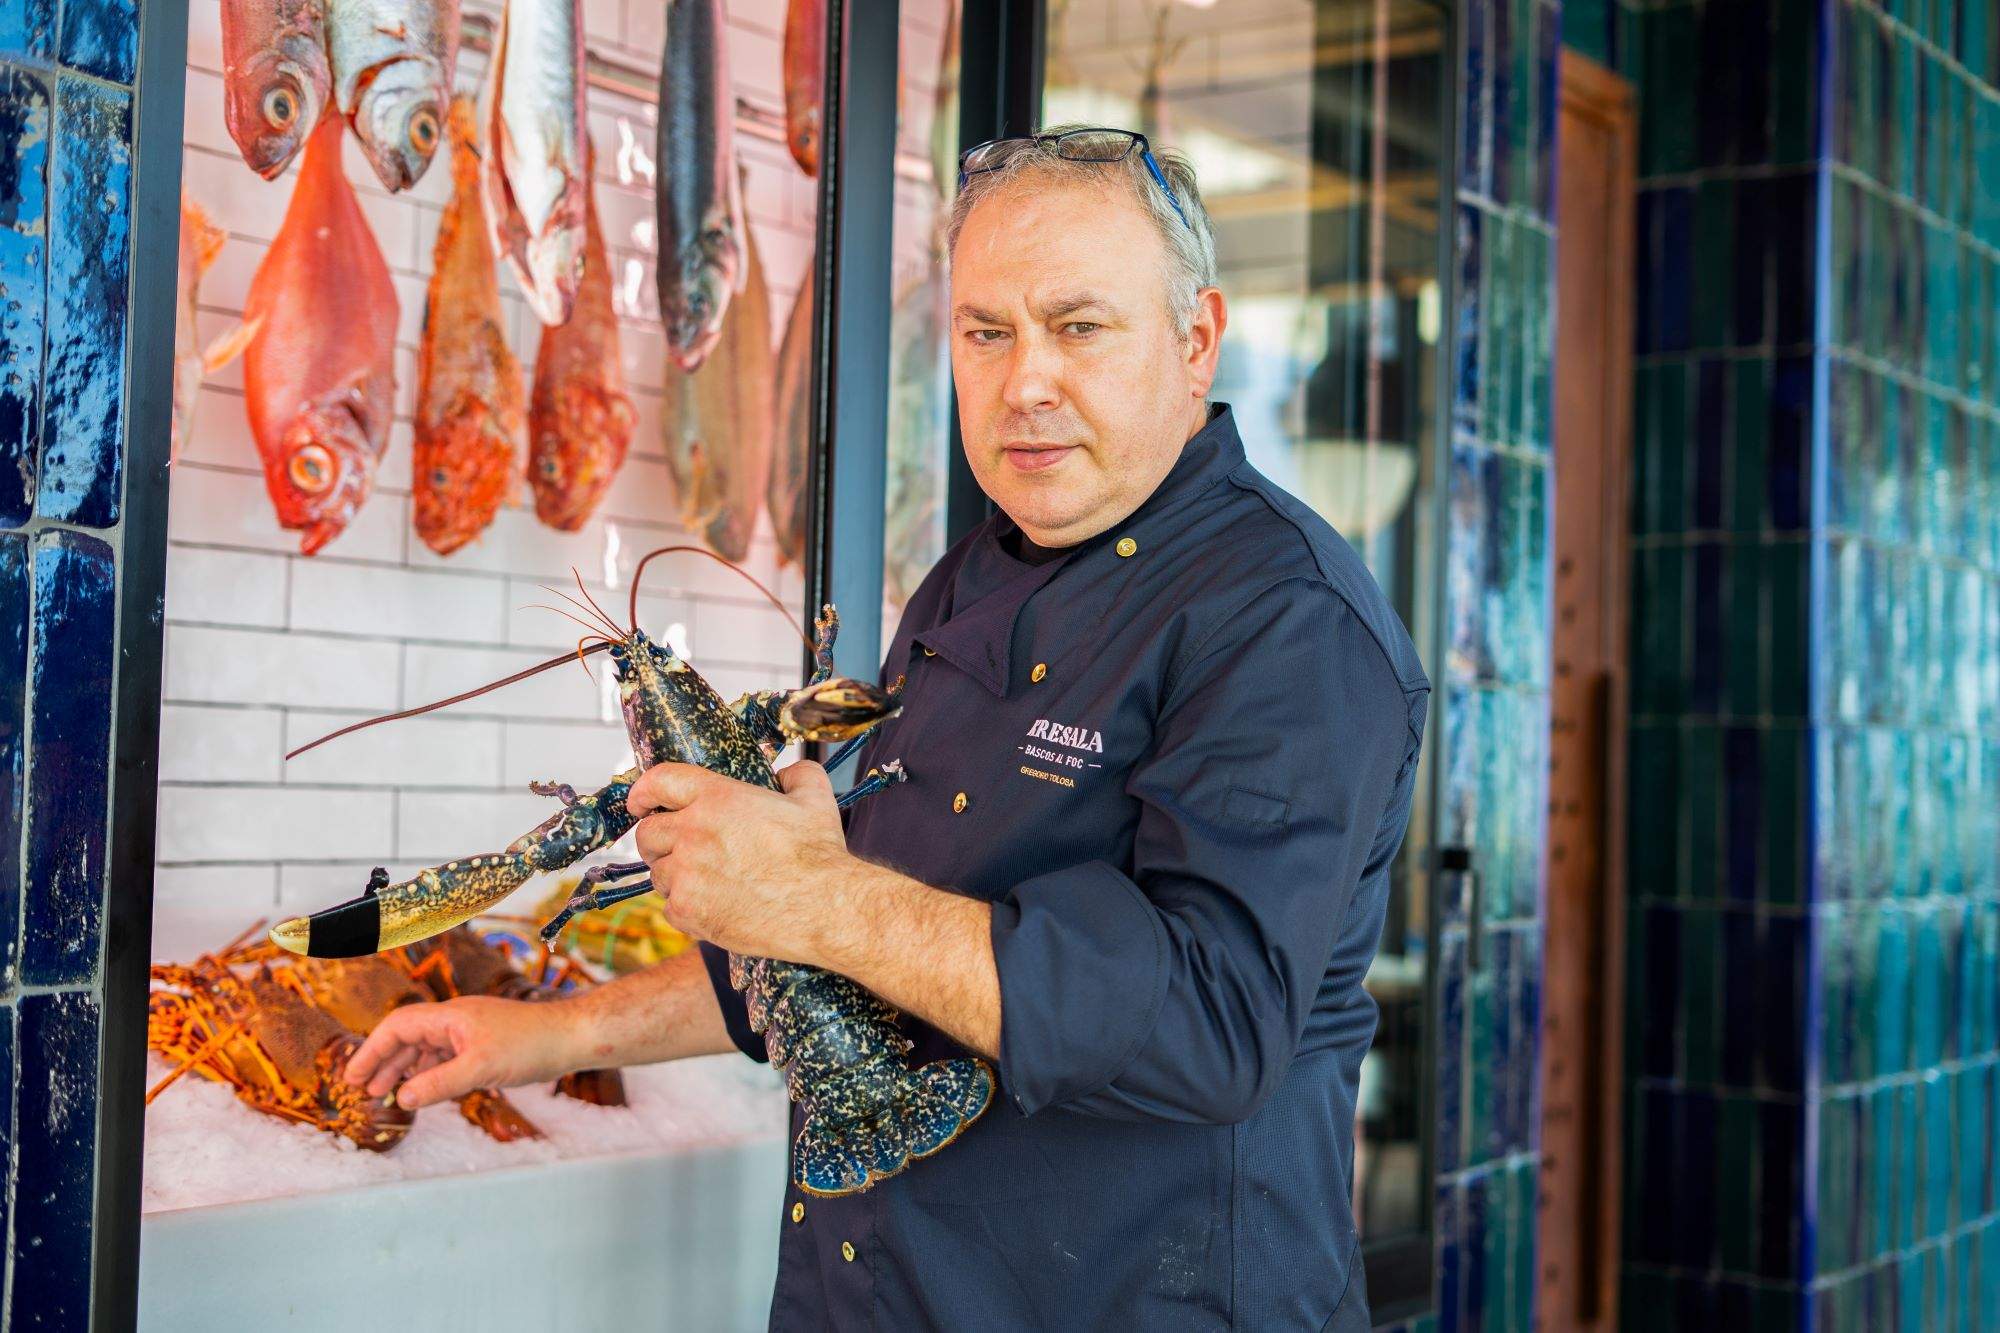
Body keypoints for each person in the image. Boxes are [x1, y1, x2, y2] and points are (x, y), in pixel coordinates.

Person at [343, 126, 1430, 1331]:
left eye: (1078, 327)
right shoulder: (965, 581)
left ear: (1195, 341)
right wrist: (533, 1038)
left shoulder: (1285, 622)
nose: (1025, 381)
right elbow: (842, 944)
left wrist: (817, 897)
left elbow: (1206, 1027)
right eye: (985, 332)